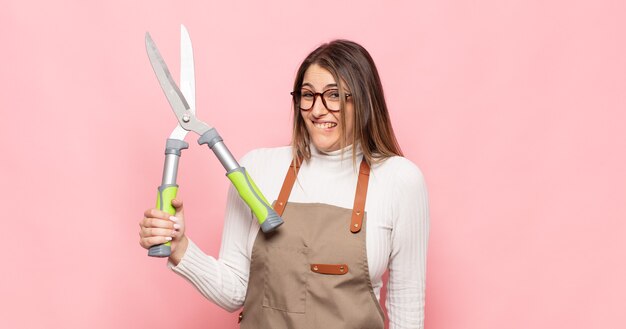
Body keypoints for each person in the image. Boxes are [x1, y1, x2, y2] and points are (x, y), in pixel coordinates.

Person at [139, 40, 429, 329]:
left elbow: (407, 308)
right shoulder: (256, 169)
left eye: (333, 95)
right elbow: (235, 290)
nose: (317, 110)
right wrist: (180, 247)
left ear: (364, 99)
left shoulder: (399, 180)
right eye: (307, 95)